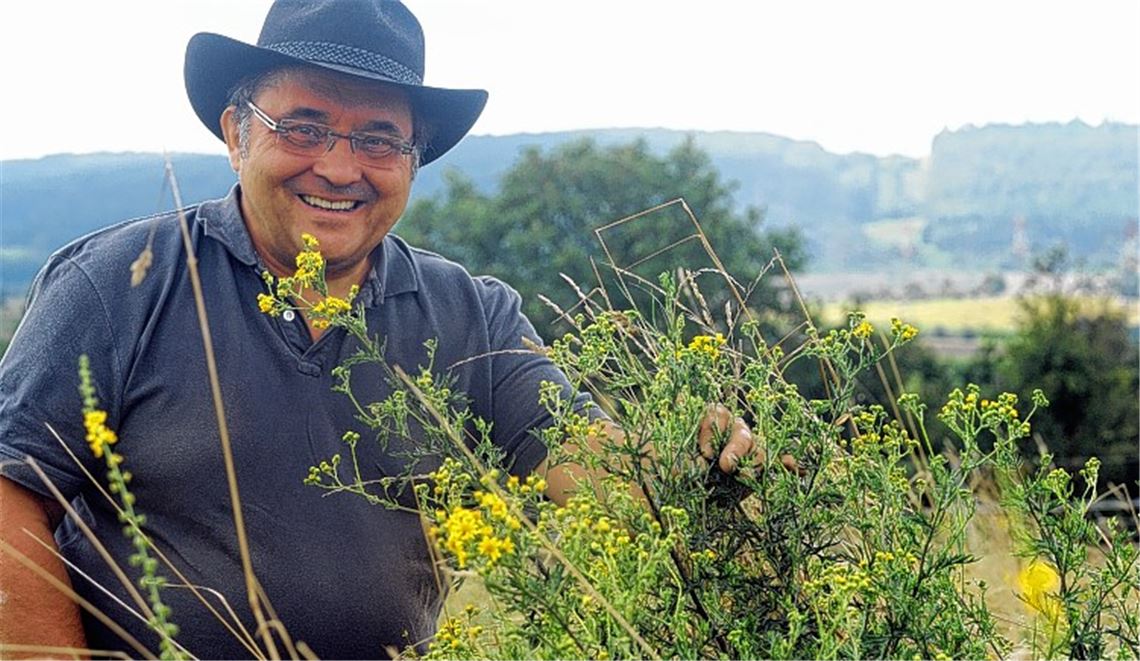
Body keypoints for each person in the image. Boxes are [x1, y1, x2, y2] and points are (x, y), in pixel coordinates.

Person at [0, 1, 763, 658]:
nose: (338, 167)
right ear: (236, 133)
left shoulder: (472, 314)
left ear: (413, 159)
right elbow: (9, 492)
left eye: (378, 138)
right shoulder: (115, 283)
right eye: (303, 126)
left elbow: (591, 471)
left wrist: (693, 463)